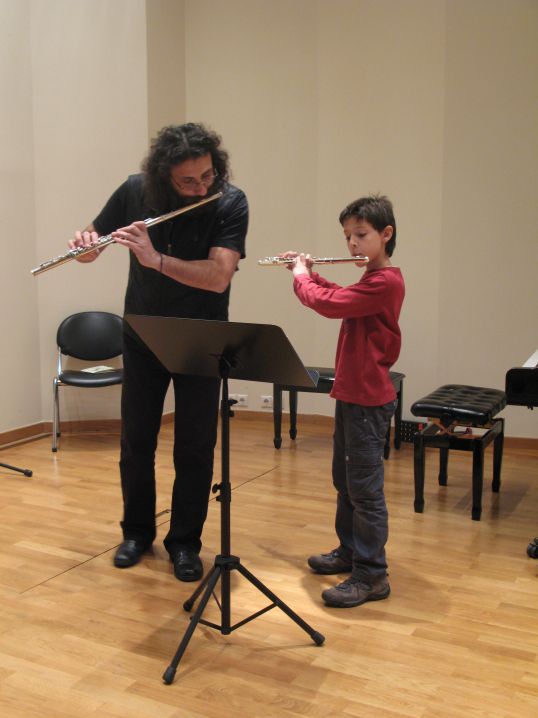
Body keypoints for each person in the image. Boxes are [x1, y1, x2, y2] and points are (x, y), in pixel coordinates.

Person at [69, 123, 248, 582]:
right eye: (188, 181)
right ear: (164, 175)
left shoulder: (229, 201)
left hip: (200, 337)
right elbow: (90, 246)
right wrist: (84, 247)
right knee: (136, 441)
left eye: (207, 175)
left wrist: (155, 260)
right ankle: (136, 533)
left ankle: (184, 543)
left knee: (194, 446)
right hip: (143, 332)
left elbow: (219, 277)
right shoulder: (135, 191)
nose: (200, 188)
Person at [280, 194, 404, 607]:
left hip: (368, 400)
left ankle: (372, 575)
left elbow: (329, 304)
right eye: (348, 236)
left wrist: (303, 277)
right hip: (353, 394)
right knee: (345, 482)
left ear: (386, 234)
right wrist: (308, 273)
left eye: (361, 235)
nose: (352, 243)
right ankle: (350, 552)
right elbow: (340, 295)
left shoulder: (386, 281)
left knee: (365, 491)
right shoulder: (371, 280)